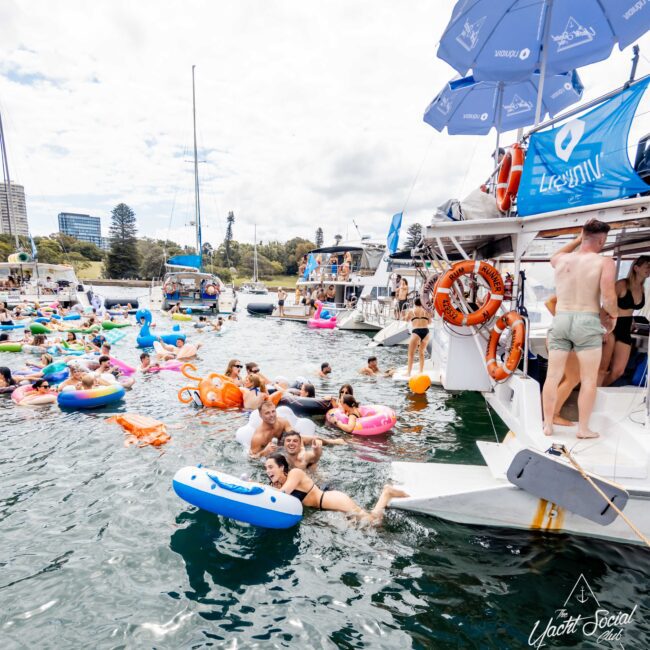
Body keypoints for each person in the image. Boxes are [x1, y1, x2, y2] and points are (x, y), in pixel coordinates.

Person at [542, 221, 618, 439]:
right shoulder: (604, 262)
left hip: (561, 318)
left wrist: (577, 238)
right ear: (602, 240)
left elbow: (553, 256)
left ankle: (548, 424)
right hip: (587, 320)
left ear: (583, 235)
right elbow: (609, 296)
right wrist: (612, 315)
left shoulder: (562, 260)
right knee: (589, 379)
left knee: (553, 376)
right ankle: (583, 429)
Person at [265, 453, 407, 524]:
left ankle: (386, 493)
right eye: (266, 468)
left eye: (271, 467)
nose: (268, 471)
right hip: (326, 510)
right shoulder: (277, 485)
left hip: (334, 500)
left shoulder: (294, 474)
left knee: (372, 523)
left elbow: (282, 494)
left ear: (281, 467)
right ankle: (386, 495)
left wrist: (258, 485)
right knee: (365, 527)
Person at [600, 255, 650, 386]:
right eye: (647, 266)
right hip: (612, 327)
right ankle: (592, 397)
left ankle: (598, 393)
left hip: (626, 329)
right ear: (636, 268)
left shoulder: (642, 289)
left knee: (618, 371)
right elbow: (604, 308)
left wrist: (632, 321)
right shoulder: (621, 285)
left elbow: (630, 311)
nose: (649, 269)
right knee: (602, 369)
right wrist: (603, 329)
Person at [405, 297, 432, 376]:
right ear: (422, 303)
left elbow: (406, 320)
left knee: (411, 354)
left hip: (416, 332)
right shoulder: (426, 311)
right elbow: (429, 322)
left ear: (414, 303)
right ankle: (421, 371)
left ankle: (408, 373)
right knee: (421, 353)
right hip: (426, 332)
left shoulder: (411, 311)